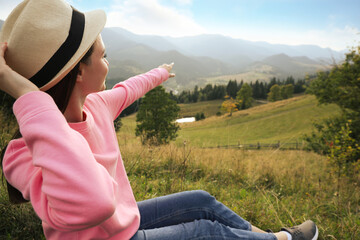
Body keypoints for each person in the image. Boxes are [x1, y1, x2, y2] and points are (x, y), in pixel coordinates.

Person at [0, 0, 319, 239]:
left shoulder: (97, 105)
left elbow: (129, 89)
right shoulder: (22, 154)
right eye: (104, 55)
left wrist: (160, 73)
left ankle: (273, 239)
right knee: (203, 231)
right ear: (79, 71)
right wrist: (28, 96)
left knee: (201, 201)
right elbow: (95, 202)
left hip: (125, 225)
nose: (108, 63)